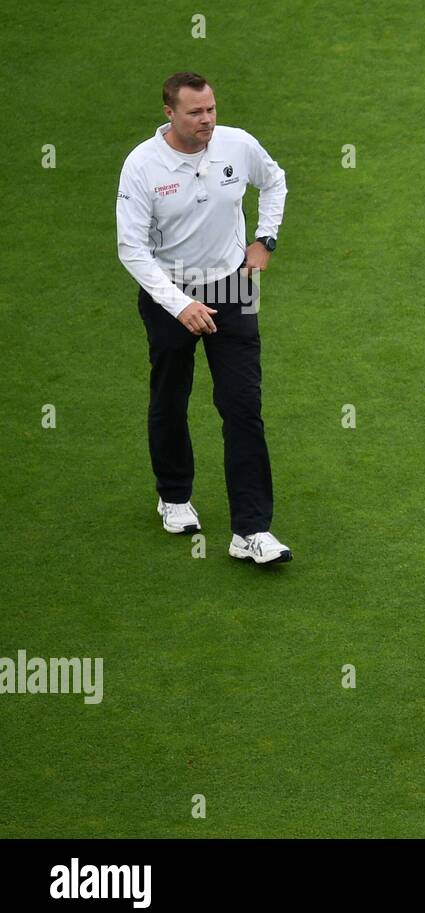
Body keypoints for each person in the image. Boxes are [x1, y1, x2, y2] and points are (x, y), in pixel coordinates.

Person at [116, 72, 292, 564]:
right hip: (168, 293)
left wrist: (265, 239)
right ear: (169, 113)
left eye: (211, 109)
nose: (207, 120)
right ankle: (174, 496)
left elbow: (274, 180)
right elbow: (131, 248)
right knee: (171, 397)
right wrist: (180, 304)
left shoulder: (236, 145)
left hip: (233, 285)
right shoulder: (142, 166)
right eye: (195, 113)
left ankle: (251, 531)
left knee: (243, 408)